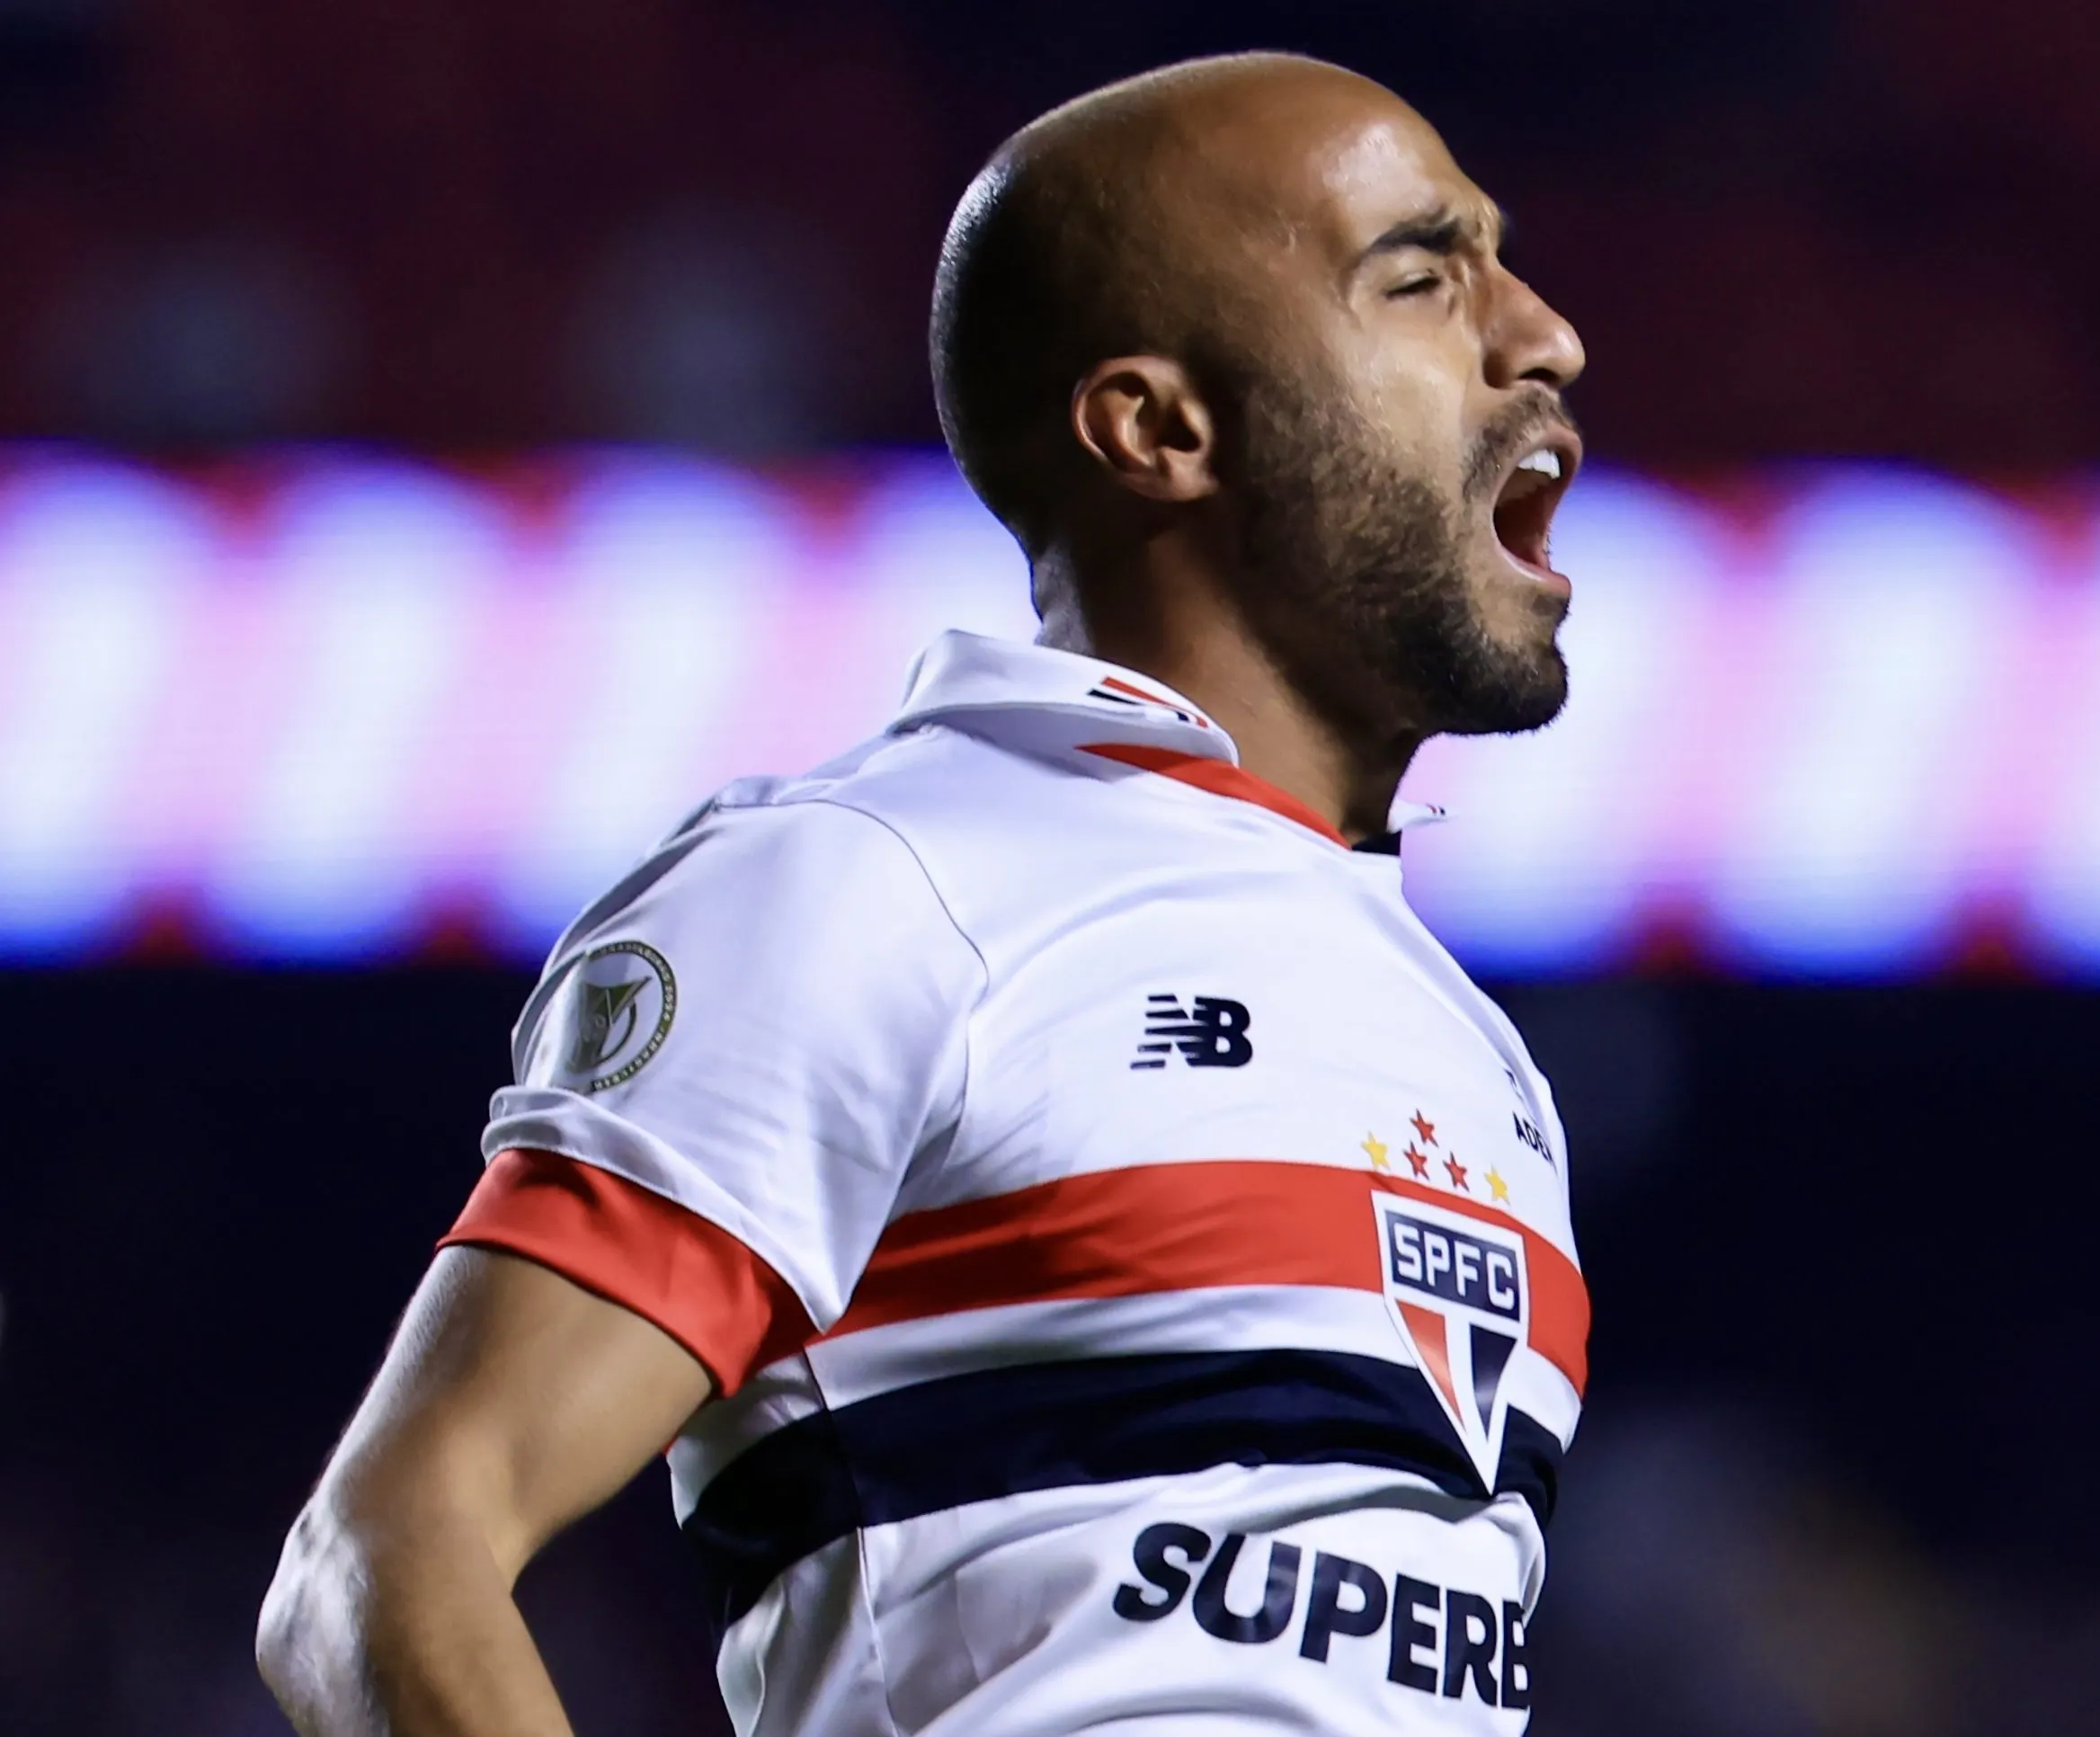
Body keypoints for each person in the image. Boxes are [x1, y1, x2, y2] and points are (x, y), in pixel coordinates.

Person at [257, 50, 1592, 1735]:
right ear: (1157, 428)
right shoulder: (876, 886)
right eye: (1420, 275)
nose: (1541, 333)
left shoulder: (1469, 1050)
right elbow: (381, 1561)